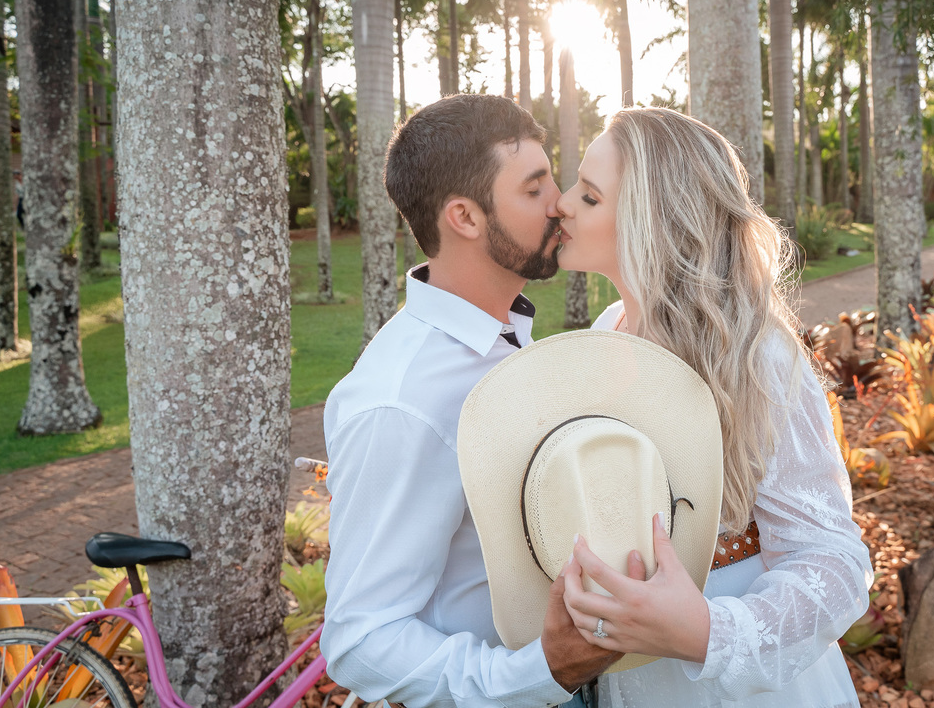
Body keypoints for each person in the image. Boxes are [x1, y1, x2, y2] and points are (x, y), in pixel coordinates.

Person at [553, 106, 874, 708]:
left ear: (652, 221)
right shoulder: (607, 329)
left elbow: (832, 560)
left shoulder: (759, 355)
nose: (562, 204)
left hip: (737, 681)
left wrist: (704, 634)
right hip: (631, 671)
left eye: (590, 197)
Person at [321, 94, 620, 707]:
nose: (560, 203)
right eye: (534, 189)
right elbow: (361, 639)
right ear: (465, 217)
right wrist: (543, 672)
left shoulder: (506, 336)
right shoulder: (401, 401)